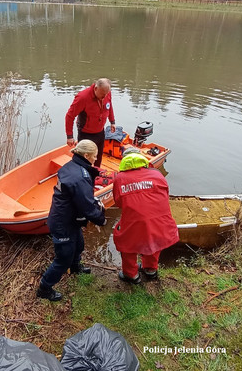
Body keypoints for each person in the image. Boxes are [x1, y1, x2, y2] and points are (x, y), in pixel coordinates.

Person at [37, 140, 106, 301]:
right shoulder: (79, 177)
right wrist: (101, 219)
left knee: (78, 244)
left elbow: (81, 198)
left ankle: (75, 267)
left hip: (69, 217)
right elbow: (87, 207)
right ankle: (44, 288)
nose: (96, 159)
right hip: (63, 222)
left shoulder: (72, 166)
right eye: (94, 156)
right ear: (86, 155)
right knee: (63, 257)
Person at [113, 151, 179, 284]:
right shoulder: (157, 174)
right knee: (154, 240)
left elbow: (119, 202)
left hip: (135, 220)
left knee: (127, 244)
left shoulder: (119, 178)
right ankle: (150, 270)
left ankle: (131, 275)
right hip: (161, 219)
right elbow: (165, 194)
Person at [65, 78, 116, 167]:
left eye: (106, 94)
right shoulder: (83, 97)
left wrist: (112, 121)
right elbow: (70, 116)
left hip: (100, 131)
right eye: (102, 94)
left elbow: (109, 106)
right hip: (86, 133)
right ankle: (82, 176)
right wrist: (69, 136)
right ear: (95, 88)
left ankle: (96, 174)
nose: (104, 97)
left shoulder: (106, 93)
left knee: (98, 157)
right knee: (84, 160)